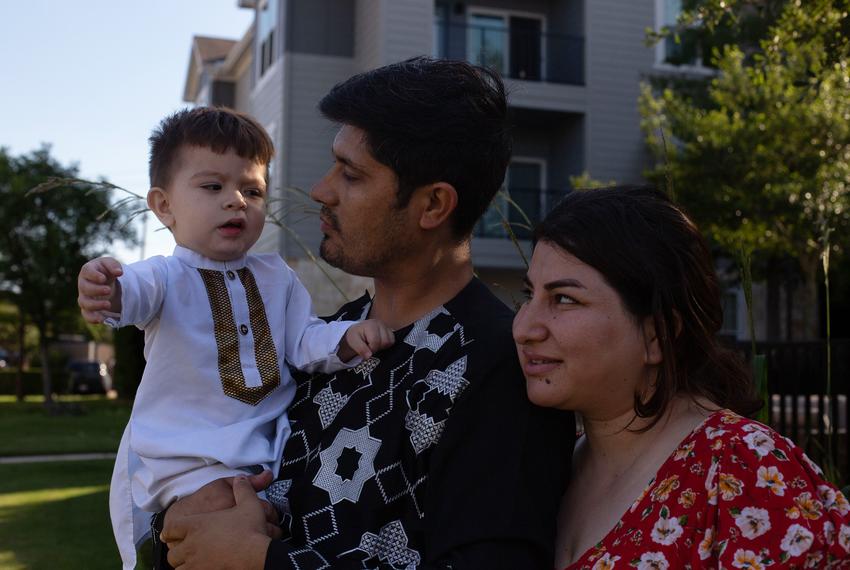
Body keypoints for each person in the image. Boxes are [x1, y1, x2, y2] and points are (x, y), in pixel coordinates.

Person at [156, 57, 575, 569]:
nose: (321, 190)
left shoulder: (498, 371)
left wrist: (261, 561)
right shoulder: (326, 338)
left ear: (433, 206)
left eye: (351, 174)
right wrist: (180, 522)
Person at [76, 107, 394, 570]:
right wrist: (107, 286)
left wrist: (347, 338)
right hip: (189, 469)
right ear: (164, 206)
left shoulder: (276, 276)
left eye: (252, 190)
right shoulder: (165, 277)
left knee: (260, 534)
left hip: (264, 465)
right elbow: (133, 295)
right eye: (212, 187)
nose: (236, 201)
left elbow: (304, 341)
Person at [513, 185, 850, 569]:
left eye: (564, 299)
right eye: (529, 295)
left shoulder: (742, 471)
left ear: (657, 334)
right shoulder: (549, 464)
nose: (525, 327)